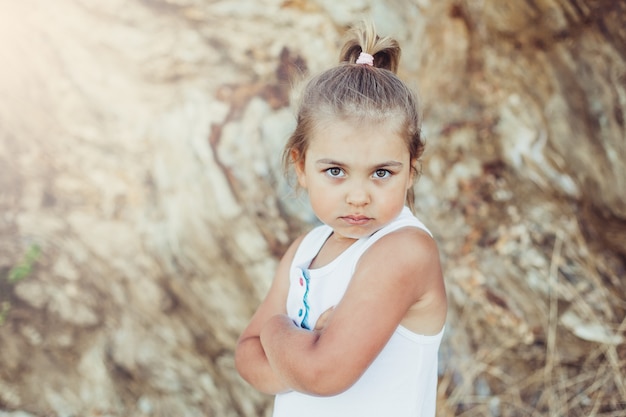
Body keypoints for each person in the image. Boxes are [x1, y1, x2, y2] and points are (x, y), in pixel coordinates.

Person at [235, 21, 447, 417]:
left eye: (382, 173)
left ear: (412, 168)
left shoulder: (403, 250)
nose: (358, 195)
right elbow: (248, 359)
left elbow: (322, 374)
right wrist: (302, 348)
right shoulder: (306, 250)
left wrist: (277, 331)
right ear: (300, 166)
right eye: (335, 171)